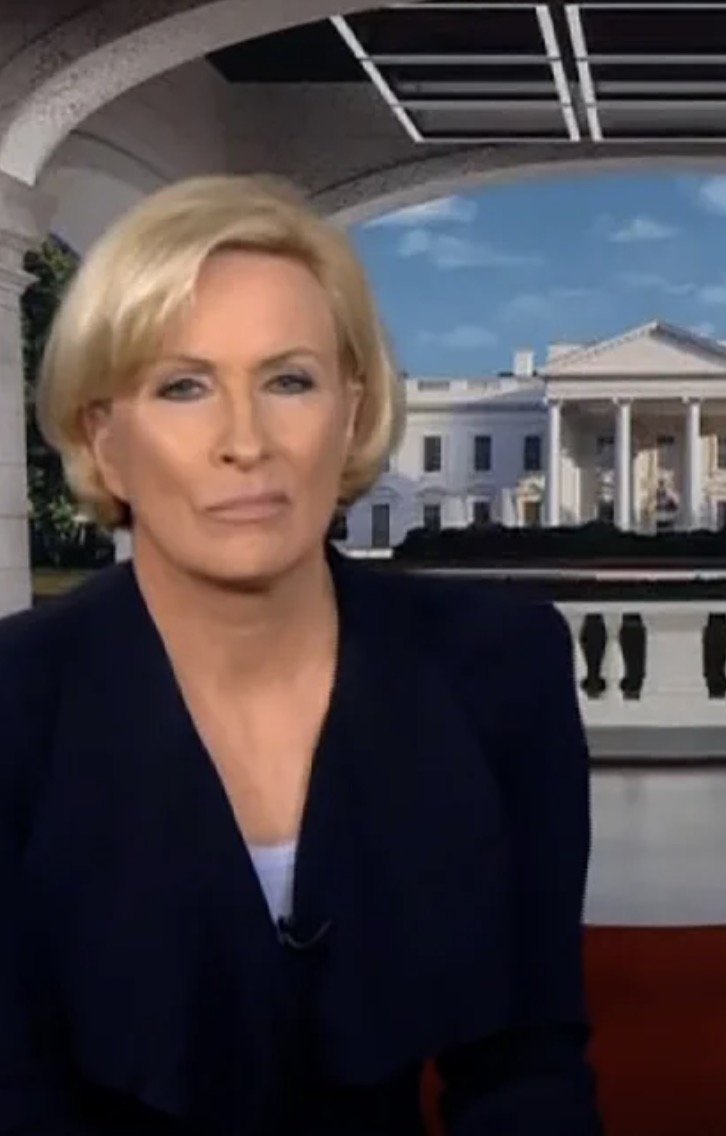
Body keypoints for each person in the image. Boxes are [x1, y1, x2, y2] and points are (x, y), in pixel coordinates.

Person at [0, 175, 601, 1134]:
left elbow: (527, 1072)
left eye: (289, 381)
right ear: (104, 441)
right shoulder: (15, 705)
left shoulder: (500, 671)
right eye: (184, 386)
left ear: (352, 413)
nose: (247, 442)